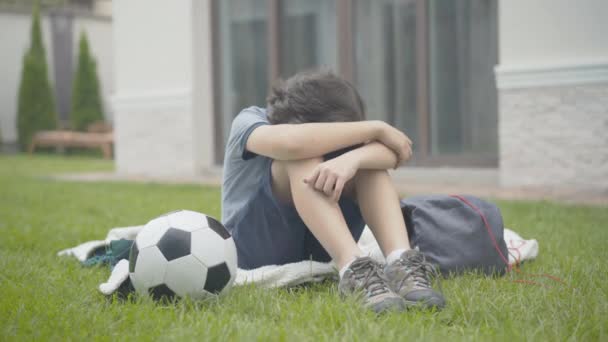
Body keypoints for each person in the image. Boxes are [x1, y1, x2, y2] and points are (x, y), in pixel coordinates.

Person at [221, 70, 445, 313]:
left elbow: (398, 151)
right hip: (255, 247)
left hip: (319, 243)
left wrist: (354, 158)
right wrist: (375, 128)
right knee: (302, 159)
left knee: (369, 164)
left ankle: (402, 262)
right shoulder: (249, 121)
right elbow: (292, 144)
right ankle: (352, 269)